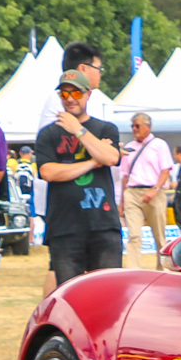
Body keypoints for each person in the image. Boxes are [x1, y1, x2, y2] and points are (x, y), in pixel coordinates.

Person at [33, 69, 122, 289]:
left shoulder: (105, 128)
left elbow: (111, 157)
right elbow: (48, 172)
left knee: (108, 292)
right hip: (64, 226)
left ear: (88, 94)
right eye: (64, 94)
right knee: (69, 295)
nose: (70, 99)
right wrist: (93, 162)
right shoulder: (48, 134)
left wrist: (78, 130)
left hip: (103, 224)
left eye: (76, 93)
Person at [118, 112, 174, 269]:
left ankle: (162, 270)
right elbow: (124, 176)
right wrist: (121, 202)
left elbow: (165, 170)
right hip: (132, 192)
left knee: (159, 236)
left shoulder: (159, 145)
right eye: (133, 126)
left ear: (148, 126)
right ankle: (132, 270)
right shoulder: (129, 147)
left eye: (138, 126)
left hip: (154, 192)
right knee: (134, 235)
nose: (135, 129)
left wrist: (155, 190)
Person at [37, 43, 108, 131]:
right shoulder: (58, 99)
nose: (100, 74)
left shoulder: (94, 96)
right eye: (99, 69)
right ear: (83, 68)